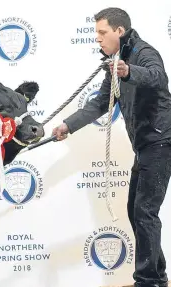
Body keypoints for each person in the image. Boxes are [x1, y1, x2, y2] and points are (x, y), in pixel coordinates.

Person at [52, 7, 171, 287]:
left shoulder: (143, 53)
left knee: (144, 212)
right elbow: (99, 102)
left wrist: (129, 71)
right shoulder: (115, 61)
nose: (98, 39)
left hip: (161, 141)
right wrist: (68, 125)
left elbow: (157, 77)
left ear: (120, 31)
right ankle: (156, 275)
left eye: (102, 33)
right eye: (96, 33)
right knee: (136, 210)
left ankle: (148, 281)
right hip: (145, 144)